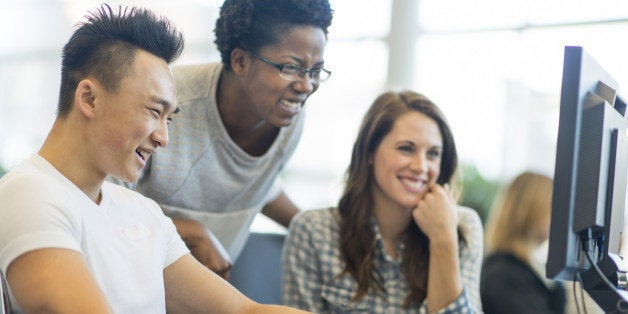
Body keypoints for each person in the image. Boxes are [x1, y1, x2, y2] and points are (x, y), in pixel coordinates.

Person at [0, 5, 311, 313]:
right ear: (89, 98)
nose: (163, 138)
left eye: (169, 119)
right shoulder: (29, 193)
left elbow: (245, 311)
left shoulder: (144, 214)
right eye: (153, 111)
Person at [124, 0, 334, 279]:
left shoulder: (287, 114)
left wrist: (319, 231)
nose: (306, 86)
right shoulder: (168, 104)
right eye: (291, 67)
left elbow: (256, 185)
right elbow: (98, 204)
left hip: (199, 295)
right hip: (130, 282)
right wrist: (190, 232)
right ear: (240, 61)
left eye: (315, 71)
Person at [282, 91, 483, 313]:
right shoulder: (313, 231)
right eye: (406, 149)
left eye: (433, 154)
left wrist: (443, 239)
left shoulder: (462, 226)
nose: (421, 167)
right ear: (370, 151)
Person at [481, 172, 566, 314]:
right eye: (553, 208)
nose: (560, 218)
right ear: (530, 209)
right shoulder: (502, 274)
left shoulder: (531, 267)